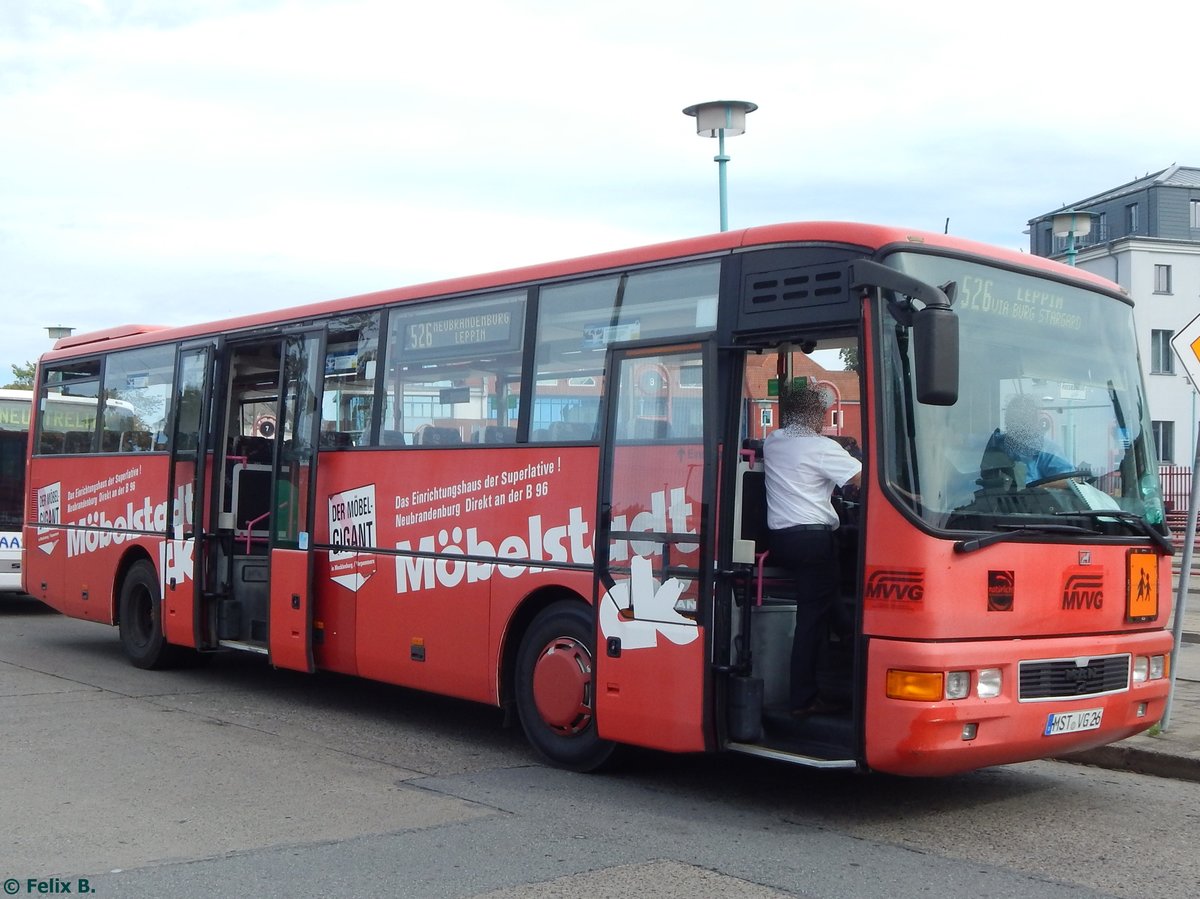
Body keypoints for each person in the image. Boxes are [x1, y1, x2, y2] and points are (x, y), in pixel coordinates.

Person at [763, 384, 862, 717]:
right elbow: (864, 479)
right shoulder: (821, 447)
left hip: (782, 542)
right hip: (812, 542)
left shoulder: (774, 442)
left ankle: (848, 636)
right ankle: (803, 699)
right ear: (814, 415)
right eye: (821, 412)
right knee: (811, 620)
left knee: (828, 592)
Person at [979, 394, 1074, 489]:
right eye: (1014, 417)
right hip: (994, 500)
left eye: (1024, 417)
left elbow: (1070, 481)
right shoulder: (999, 442)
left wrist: (1036, 490)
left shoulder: (1048, 451)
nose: (1019, 423)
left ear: (1035, 420)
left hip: (1037, 502)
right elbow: (971, 441)